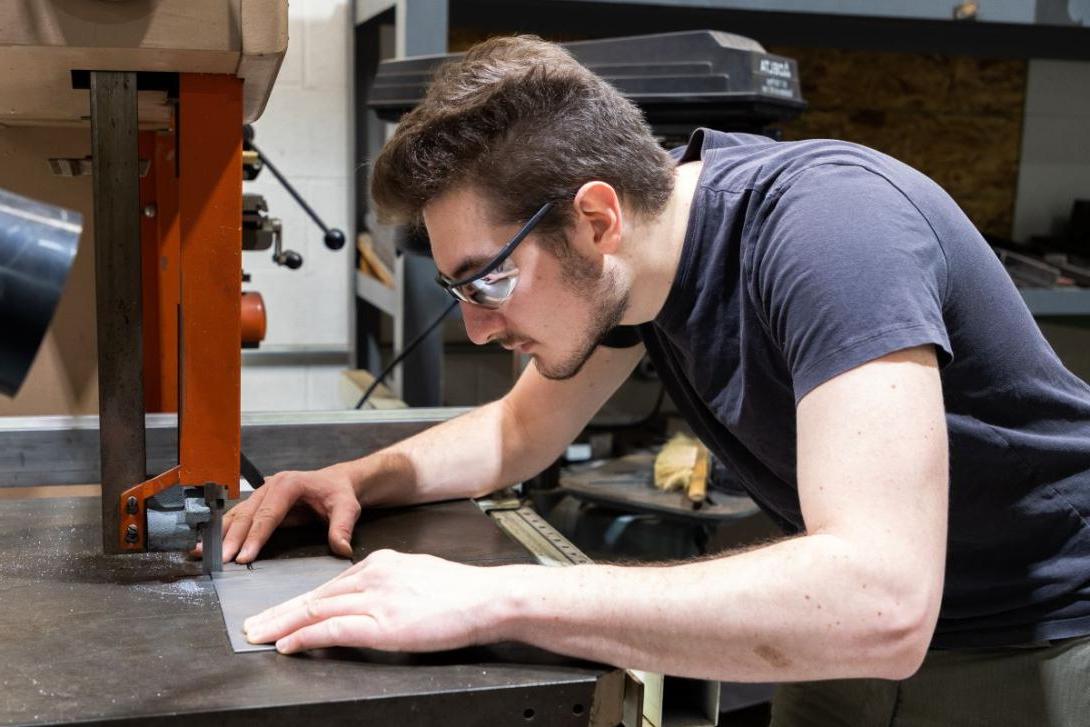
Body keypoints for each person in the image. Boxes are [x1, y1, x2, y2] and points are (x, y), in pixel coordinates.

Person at [222, 36, 1090, 724]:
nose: (477, 326)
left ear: (595, 217)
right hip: (845, 646)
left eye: (488, 281)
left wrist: (487, 598)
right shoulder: (635, 266)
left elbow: (882, 597)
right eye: (459, 290)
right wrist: (351, 480)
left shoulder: (833, 235)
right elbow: (513, 435)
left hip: (1033, 638)